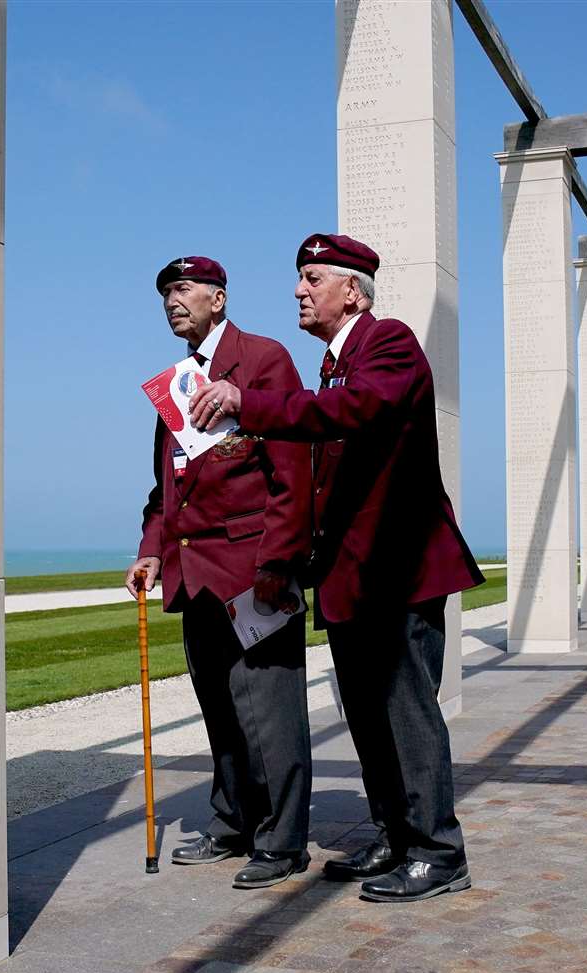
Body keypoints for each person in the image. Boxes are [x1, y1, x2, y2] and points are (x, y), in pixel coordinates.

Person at [189, 234, 483, 903]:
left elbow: (358, 412)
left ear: (351, 290)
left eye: (312, 277)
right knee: (366, 715)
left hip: (397, 569)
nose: (298, 290)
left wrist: (249, 405)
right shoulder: (329, 366)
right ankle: (393, 833)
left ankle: (437, 851)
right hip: (351, 577)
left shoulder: (388, 343)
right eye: (299, 278)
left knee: (405, 713)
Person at [126, 255, 314, 889]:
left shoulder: (264, 360)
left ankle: (283, 841)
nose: (171, 302)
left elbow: (293, 473)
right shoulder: (175, 383)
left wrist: (280, 561)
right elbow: (165, 490)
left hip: (252, 569)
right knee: (219, 707)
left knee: (270, 710)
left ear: (219, 297)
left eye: (182, 290)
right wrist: (152, 547)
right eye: (165, 294)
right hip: (193, 572)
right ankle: (233, 822)